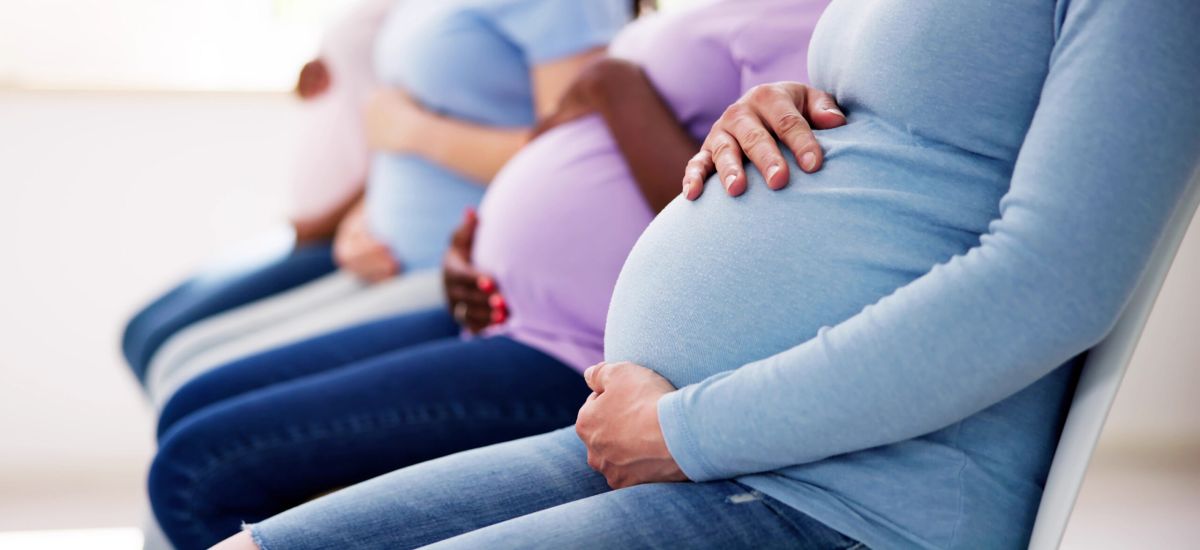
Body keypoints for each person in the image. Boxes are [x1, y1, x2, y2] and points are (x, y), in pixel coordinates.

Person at [213, 0, 1200, 548]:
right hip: (689, 438)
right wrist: (773, 108)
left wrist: (683, 431)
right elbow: (928, 136)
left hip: (846, 499)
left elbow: (1051, 284)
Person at [147, 1, 836, 548]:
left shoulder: (813, 23)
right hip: (499, 308)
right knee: (196, 412)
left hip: (583, 354)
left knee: (199, 468)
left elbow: (755, 235)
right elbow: (562, 145)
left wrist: (615, 87)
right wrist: (474, 248)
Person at [132, 0, 626, 409]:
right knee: (179, 363)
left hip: (455, 272)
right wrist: (360, 217)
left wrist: (416, 133)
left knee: (192, 385)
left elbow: (568, 160)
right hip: (382, 256)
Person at [121, 0, 397, 388]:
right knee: (140, 332)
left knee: (166, 348)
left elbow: (413, 130)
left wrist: (334, 218)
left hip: (343, 236)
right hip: (307, 229)